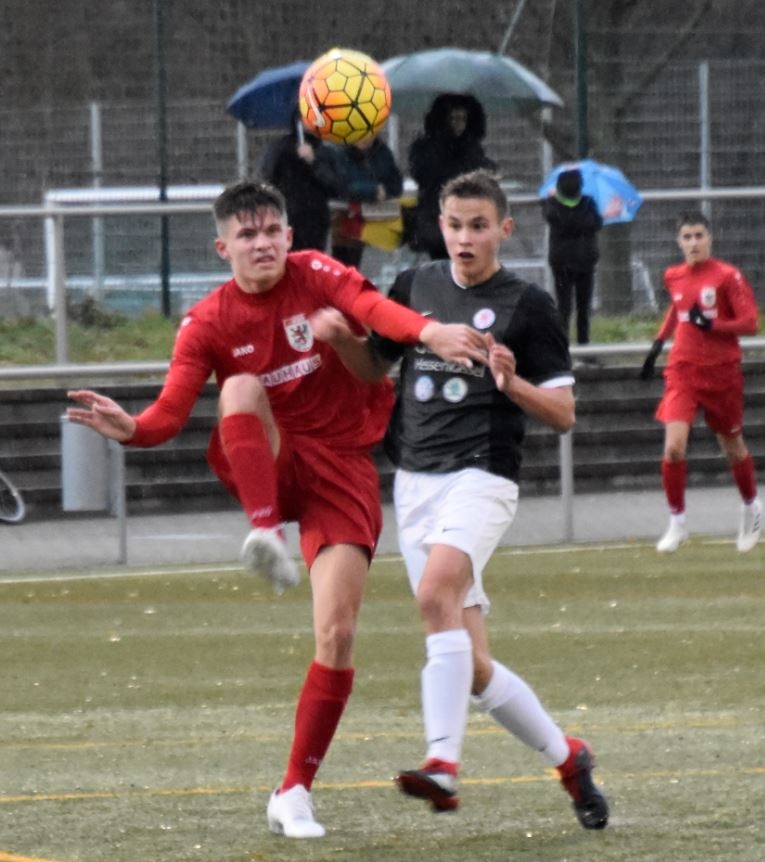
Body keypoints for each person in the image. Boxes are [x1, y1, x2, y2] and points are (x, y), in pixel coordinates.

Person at [65, 180, 488, 839]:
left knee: (337, 635)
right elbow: (169, 414)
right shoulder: (207, 322)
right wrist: (133, 429)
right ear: (223, 248)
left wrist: (429, 330)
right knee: (238, 387)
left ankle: (292, 792)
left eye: (271, 232)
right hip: (269, 457)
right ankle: (264, 532)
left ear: (289, 236)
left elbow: (373, 307)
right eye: (247, 235)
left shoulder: (316, 273)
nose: (261, 244)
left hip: (340, 470)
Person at [318, 171, 609, 830]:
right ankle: (569, 759)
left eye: (478, 226)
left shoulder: (528, 305)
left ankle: (442, 764)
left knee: (433, 596)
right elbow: (374, 367)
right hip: (415, 482)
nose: (464, 238)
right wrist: (340, 340)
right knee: (473, 666)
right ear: (440, 227)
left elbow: (563, 413)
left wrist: (511, 384)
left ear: (504, 229)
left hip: (482, 476)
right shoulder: (414, 287)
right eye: (454, 225)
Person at [640, 210, 761, 553]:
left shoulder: (727, 276)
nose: (693, 243)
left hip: (722, 373)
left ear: (710, 239)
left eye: (699, 236)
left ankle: (752, 508)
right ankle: (677, 523)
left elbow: (750, 323)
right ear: (679, 242)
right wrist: (658, 344)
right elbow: (677, 311)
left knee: (733, 448)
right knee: (674, 448)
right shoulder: (673, 275)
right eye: (687, 237)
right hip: (683, 371)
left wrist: (713, 326)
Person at [407, 93, 496, 260]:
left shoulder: (472, 148)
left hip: (464, 216)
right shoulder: (428, 150)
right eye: (453, 119)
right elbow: (424, 176)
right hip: (438, 216)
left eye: (462, 119)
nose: (458, 125)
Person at [257, 111, 339, 252]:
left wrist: (313, 162)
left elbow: (335, 186)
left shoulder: (324, 150)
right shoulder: (280, 148)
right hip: (287, 216)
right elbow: (267, 177)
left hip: (315, 219)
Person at [541, 168, 603, 352]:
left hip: (561, 263)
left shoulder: (552, 205)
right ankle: (584, 345)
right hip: (585, 261)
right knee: (583, 307)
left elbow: (549, 215)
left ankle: (562, 347)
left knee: (563, 306)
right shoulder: (588, 203)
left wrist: (546, 200)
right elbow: (597, 223)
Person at [326, 134, 403, 269]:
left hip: (377, 216)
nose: (364, 139)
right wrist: (372, 191)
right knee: (345, 262)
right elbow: (340, 185)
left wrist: (385, 191)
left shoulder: (382, 152)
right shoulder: (340, 153)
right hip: (348, 215)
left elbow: (396, 182)